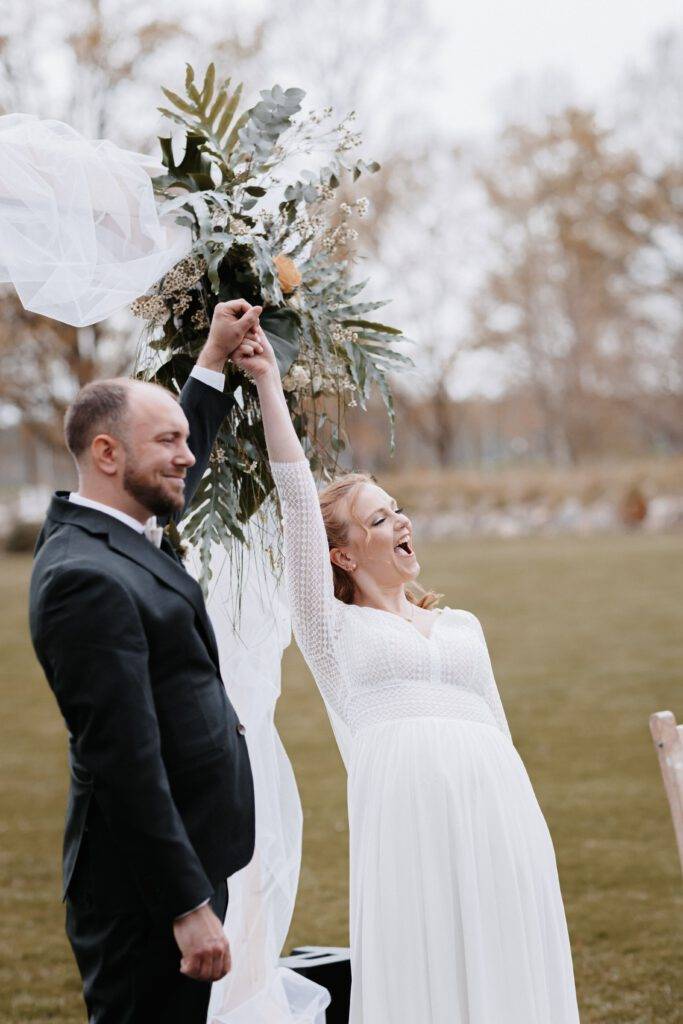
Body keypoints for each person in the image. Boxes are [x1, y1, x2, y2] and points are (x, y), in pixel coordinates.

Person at [228, 325, 582, 1024]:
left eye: (397, 510)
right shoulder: (331, 631)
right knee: (427, 960)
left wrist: (526, 825)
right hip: (406, 820)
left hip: (497, 806)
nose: (399, 521)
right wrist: (269, 383)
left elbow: (498, 727)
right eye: (377, 518)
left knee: (508, 949)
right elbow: (299, 503)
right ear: (344, 556)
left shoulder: (462, 625)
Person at [29, 300, 265, 1024]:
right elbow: (121, 759)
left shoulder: (120, 527)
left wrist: (214, 361)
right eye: (168, 440)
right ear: (107, 454)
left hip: (181, 861)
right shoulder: (83, 580)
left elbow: (173, 481)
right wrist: (185, 905)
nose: (186, 457)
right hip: (144, 892)